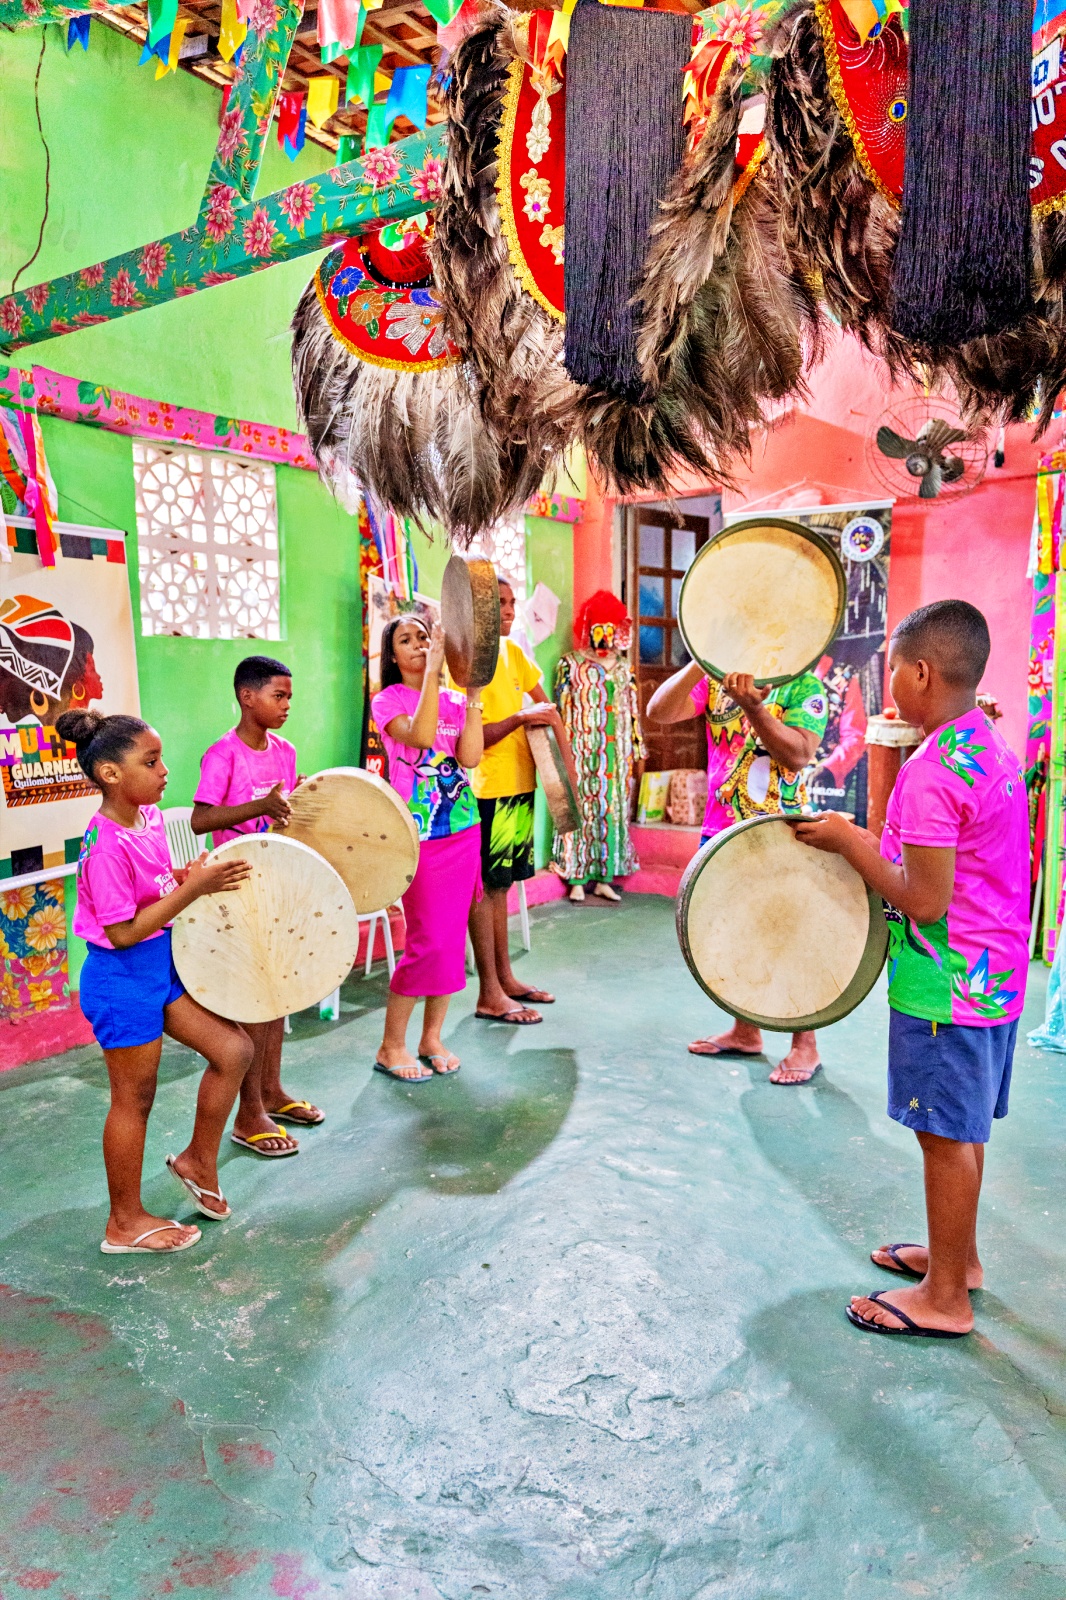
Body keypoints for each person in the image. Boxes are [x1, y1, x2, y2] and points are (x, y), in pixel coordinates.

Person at [792, 599, 1029, 1338]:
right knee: (963, 1132)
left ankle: (946, 1299)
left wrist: (848, 842)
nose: (889, 677)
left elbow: (924, 901)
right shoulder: (985, 745)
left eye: (893, 666)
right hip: (993, 976)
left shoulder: (931, 774)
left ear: (920, 672)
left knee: (943, 1139)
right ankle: (960, 1261)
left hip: (944, 990)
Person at [55, 708, 254, 1255]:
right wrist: (193, 890)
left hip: (158, 970)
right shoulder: (106, 844)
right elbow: (122, 932)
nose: (164, 769)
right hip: (122, 980)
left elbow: (157, 894)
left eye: (161, 757)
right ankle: (124, 1222)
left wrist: (193, 877)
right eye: (150, 760)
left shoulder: (147, 821)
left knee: (234, 1050)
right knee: (133, 1100)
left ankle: (197, 1161)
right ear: (111, 774)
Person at [647, 660, 828, 1083]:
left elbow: (798, 753)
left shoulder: (803, 683)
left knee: (790, 937)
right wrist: (699, 658)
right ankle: (746, 1031)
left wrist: (753, 708)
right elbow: (659, 710)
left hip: (782, 833)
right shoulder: (715, 679)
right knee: (734, 935)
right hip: (721, 831)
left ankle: (806, 1044)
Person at [191, 655, 320, 1158]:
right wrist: (261, 806)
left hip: (275, 883)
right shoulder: (222, 754)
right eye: (278, 695)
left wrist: (298, 799)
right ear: (248, 697)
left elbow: (282, 813)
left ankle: (271, 1090)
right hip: (235, 889)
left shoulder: (284, 750)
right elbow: (202, 820)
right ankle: (249, 1116)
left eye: (289, 696)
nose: (287, 705)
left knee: (276, 996)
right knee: (250, 1000)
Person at [372, 614, 484, 1080]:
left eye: (424, 636)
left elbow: (471, 758)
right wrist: (436, 672)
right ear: (393, 655)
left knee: (451, 941)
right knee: (425, 942)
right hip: (419, 836)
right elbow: (418, 739)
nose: (418, 644)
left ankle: (432, 1037)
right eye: (407, 639)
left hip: (463, 828)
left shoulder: (455, 702)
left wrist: (474, 700)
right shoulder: (388, 700)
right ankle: (390, 1045)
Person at [468, 577, 564, 1025]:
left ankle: (506, 978)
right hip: (484, 791)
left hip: (519, 787)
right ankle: (488, 990)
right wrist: (521, 716)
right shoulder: (463, 663)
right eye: (497, 604)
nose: (508, 612)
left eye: (510, 603)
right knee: (484, 890)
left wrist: (567, 768)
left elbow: (548, 709)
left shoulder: (515, 654)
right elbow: (469, 740)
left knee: (502, 886)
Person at [553, 591, 645, 903]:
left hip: (615, 754)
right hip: (580, 749)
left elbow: (632, 711)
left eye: (610, 628)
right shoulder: (570, 665)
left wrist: (637, 748)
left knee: (609, 810)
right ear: (588, 628)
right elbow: (560, 709)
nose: (604, 635)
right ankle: (577, 877)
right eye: (599, 627)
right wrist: (561, 750)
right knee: (582, 808)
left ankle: (604, 877)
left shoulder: (623, 668)